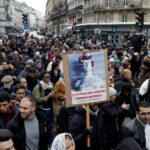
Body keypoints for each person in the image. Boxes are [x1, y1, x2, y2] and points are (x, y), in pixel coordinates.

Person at [32, 71, 57, 145]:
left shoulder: (51, 85)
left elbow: (56, 95)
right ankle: (42, 143)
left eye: (49, 77)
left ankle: (51, 142)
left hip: (50, 109)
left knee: (50, 127)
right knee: (42, 128)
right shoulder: (38, 87)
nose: (48, 78)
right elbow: (37, 99)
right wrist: (47, 97)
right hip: (41, 111)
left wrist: (54, 96)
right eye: (46, 77)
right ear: (42, 78)